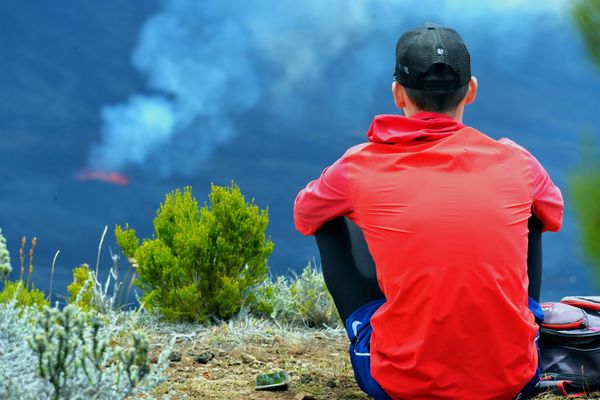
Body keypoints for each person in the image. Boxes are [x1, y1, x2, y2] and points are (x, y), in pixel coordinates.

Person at [293, 24, 564, 400]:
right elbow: (555, 213)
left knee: (330, 216)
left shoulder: (358, 167)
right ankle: (511, 334)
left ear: (397, 94)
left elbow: (305, 214)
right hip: (513, 381)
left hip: (402, 386)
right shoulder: (516, 161)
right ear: (471, 90)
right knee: (532, 210)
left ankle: (394, 332)